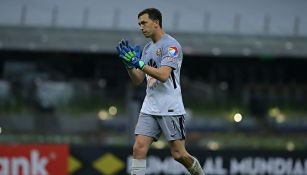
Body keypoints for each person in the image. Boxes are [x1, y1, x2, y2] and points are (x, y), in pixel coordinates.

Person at [116, 8, 205, 175]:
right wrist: (129, 65)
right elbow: (138, 79)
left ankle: (199, 173)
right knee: (139, 148)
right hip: (150, 106)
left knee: (178, 155)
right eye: (139, 24)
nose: (141, 27)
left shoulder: (172, 45)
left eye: (144, 23)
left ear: (156, 23)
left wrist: (140, 64)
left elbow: (164, 75)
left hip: (170, 107)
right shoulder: (148, 48)